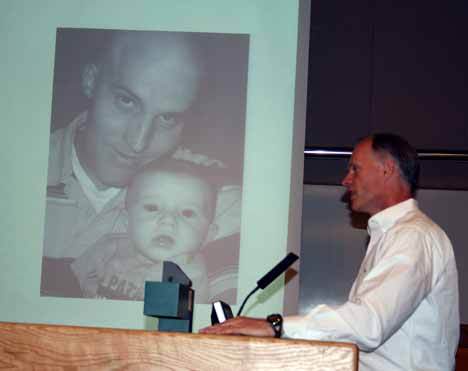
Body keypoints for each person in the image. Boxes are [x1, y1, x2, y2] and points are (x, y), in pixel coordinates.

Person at [201, 133, 460, 371]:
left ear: (387, 169)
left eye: (355, 169)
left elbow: (368, 325)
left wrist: (275, 326)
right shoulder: (394, 235)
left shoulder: (412, 236)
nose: (345, 180)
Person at [42, 29, 241, 261]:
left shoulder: (217, 200)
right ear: (90, 81)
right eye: (126, 101)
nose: (138, 143)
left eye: (167, 118)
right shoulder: (18, 172)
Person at [70, 158, 220, 303]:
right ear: (127, 221)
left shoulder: (189, 277)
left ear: (208, 234)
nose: (167, 221)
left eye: (187, 213)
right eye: (152, 208)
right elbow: (69, 283)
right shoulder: (109, 247)